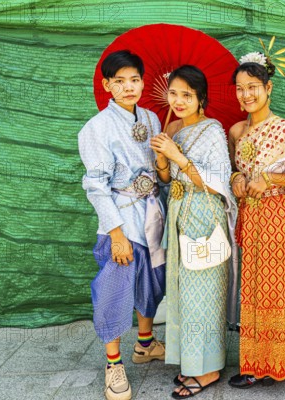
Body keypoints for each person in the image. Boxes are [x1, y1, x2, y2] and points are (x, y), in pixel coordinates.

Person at [227, 43, 285, 388]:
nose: (246, 94)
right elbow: (233, 170)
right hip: (248, 218)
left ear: (268, 88)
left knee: (276, 290)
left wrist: (266, 178)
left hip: (277, 216)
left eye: (253, 87)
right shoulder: (237, 132)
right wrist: (237, 179)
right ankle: (251, 363)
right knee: (251, 289)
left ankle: (280, 363)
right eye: (240, 88)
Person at [78, 50, 166, 400]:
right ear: (107, 85)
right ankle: (113, 364)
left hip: (151, 214)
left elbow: (161, 174)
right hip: (121, 218)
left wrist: (162, 159)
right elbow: (96, 185)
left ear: (143, 83)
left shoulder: (152, 119)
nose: (128, 87)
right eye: (120, 81)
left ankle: (144, 345)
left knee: (152, 281)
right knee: (115, 290)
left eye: (134, 80)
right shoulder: (96, 128)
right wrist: (116, 234)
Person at [150, 65, 238, 399]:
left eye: (187, 94)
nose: (179, 100)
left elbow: (215, 183)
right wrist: (161, 156)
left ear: (201, 98)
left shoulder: (212, 130)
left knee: (205, 294)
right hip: (179, 215)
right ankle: (191, 361)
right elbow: (166, 180)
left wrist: (177, 156)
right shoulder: (171, 129)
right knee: (184, 294)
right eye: (174, 93)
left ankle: (210, 367)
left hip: (204, 214)